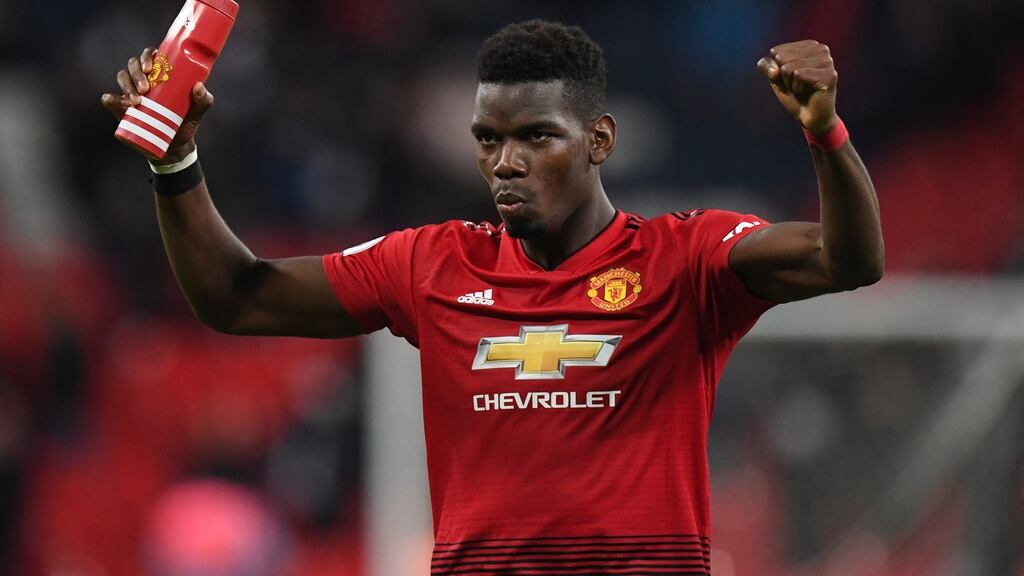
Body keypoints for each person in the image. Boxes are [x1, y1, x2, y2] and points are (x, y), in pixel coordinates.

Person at [102, 19, 882, 576]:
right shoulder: (432, 264)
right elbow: (235, 299)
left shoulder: (685, 258)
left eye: (536, 137)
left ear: (599, 140)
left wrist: (825, 134)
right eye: (487, 139)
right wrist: (176, 164)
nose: (505, 162)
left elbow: (847, 259)